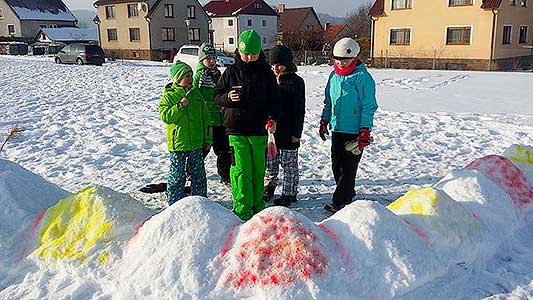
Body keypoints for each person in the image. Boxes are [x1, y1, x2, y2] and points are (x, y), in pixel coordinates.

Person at [214, 29, 280, 221]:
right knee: (242, 171)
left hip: (259, 131)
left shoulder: (266, 73)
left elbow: (275, 101)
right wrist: (227, 97)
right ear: (239, 51)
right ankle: (242, 211)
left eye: (253, 53)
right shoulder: (230, 72)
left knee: (258, 171)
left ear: (260, 51)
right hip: (236, 131)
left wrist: (273, 119)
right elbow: (216, 96)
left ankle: (258, 208)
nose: (249, 57)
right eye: (246, 53)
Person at [319, 37, 378, 213]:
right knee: (336, 165)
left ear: (354, 58)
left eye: (345, 60)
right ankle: (347, 192)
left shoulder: (362, 77)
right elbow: (328, 101)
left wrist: (365, 129)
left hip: (355, 131)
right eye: (337, 60)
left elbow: (369, 105)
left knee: (348, 167)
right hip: (337, 128)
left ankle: (340, 200)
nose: (341, 63)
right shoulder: (333, 76)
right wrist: (324, 120)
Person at [159, 61, 212, 206]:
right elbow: (166, 116)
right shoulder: (169, 96)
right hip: (178, 144)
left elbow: (205, 118)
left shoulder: (196, 95)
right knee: (177, 175)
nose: (190, 78)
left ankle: (200, 201)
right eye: (186, 76)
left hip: (196, 143)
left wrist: (207, 138)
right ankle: (175, 203)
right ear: (177, 78)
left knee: (199, 174)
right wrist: (180, 106)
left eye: (191, 75)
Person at [264, 45, 306, 207]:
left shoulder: (296, 82)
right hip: (271, 131)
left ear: (288, 64)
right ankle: (270, 186)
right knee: (270, 162)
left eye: (279, 64)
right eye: (273, 64)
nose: (275, 68)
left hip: (288, 131)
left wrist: (297, 133)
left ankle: (289, 193)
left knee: (289, 164)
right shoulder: (268, 79)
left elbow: (299, 109)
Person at [193, 43, 231, 186]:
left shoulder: (217, 74)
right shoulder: (199, 76)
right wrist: (214, 105)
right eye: (208, 58)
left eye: (214, 58)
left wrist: (224, 101)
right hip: (208, 120)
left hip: (221, 119)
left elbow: (221, 91)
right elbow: (196, 98)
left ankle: (225, 175)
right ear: (202, 60)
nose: (212, 61)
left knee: (223, 149)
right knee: (204, 148)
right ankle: (191, 171)